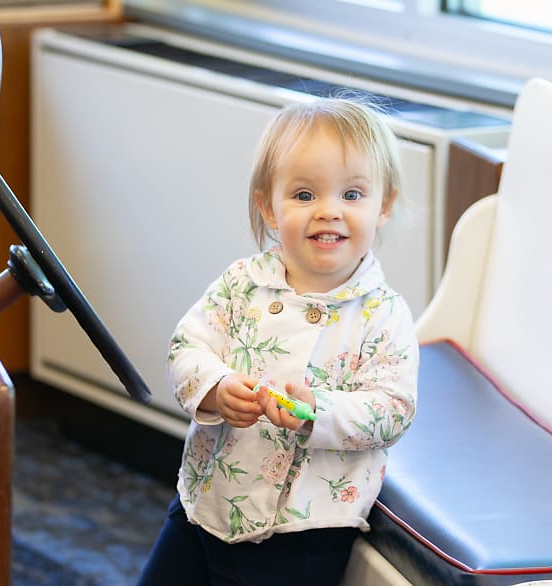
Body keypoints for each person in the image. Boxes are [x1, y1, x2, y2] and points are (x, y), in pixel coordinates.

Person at [139, 95, 420, 585]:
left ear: (384, 206)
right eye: (305, 195)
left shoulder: (383, 313)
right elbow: (187, 346)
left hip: (305, 528)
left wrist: (320, 411)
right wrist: (216, 387)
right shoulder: (241, 284)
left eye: (352, 194)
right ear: (268, 207)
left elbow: (393, 408)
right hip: (206, 501)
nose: (328, 212)